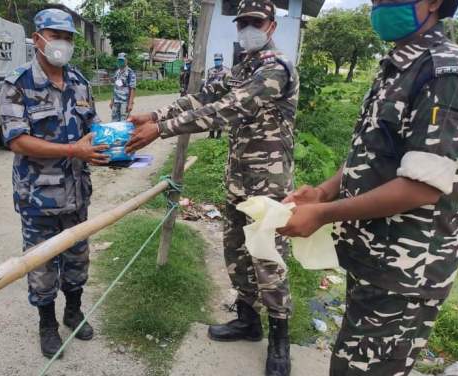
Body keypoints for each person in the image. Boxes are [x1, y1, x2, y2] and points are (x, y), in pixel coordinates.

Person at [278, 0, 458, 375]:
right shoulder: (399, 65)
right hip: (376, 259)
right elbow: (375, 151)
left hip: (406, 273)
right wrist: (324, 192)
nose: (379, 3)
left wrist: (323, 214)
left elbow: (422, 186)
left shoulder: (446, 72)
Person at [125, 1, 299, 375]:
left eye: (255, 22)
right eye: (243, 23)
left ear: (271, 26)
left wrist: (162, 129)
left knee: (267, 258)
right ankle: (248, 321)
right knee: (236, 253)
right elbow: (204, 97)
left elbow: (229, 109)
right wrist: (156, 114)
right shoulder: (242, 68)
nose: (248, 28)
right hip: (239, 179)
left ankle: (280, 340)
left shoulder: (275, 69)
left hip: (268, 184)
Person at [0, 8, 109, 359]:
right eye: (55, 35)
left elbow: (93, 128)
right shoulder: (18, 83)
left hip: (77, 194)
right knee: (42, 266)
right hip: (38, 197)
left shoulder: (79, 82)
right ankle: (47, 325)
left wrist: (111, 148)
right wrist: (71, 149)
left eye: (68, 37)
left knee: (77, 259)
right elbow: (17, 140)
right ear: (38, 39)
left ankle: (73, 312)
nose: (62, 43)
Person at [206, 53, 230, 139]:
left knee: (220, 116)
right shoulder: (210, 70)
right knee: (210, 115)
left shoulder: (227, 71)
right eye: (216, 60)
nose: (217, 61)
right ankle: (211, 134)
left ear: (222, 60)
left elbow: (228, 85)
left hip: (221, 96)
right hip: (211, 96)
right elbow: (207, 83)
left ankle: (219, 134)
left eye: (219, 60)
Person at [109, 52, 137, 121]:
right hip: (116, 101)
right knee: (114, 121)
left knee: (123, 121)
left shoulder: (130, 73)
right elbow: (115, 87)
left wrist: (130, 104)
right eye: (119, 60)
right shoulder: (117, 72)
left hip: (125, 102)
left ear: (126, 60)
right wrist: (112, 100)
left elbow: (132, 89)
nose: (120, 62)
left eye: (122, 60)